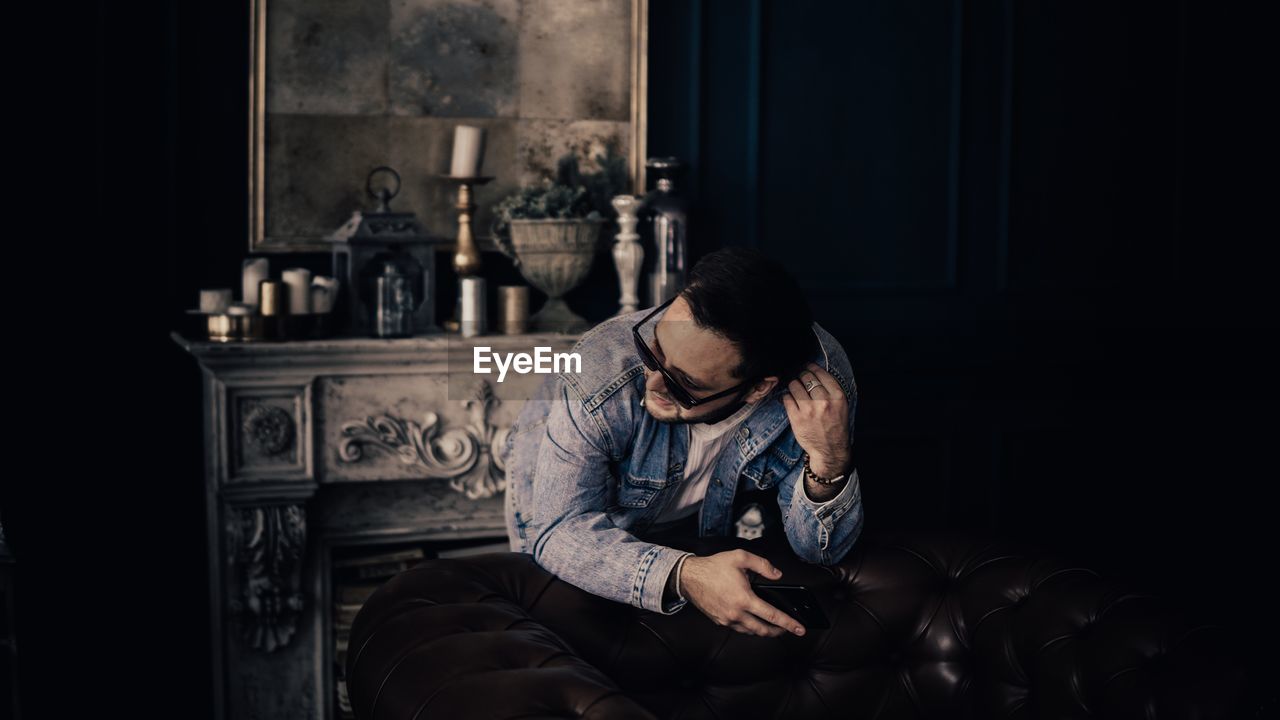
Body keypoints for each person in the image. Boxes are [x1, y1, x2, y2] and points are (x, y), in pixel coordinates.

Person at [501, 247, 863, 638]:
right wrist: (684, 574)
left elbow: (821, 551)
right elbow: (558, 532)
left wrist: (830, 458)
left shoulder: (821, 394)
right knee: (554, 615)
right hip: (555, 488)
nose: (652, 385)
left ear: (760, 388)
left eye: (686, 384)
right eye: (653, 350)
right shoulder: (598, 376)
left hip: (689, 525)